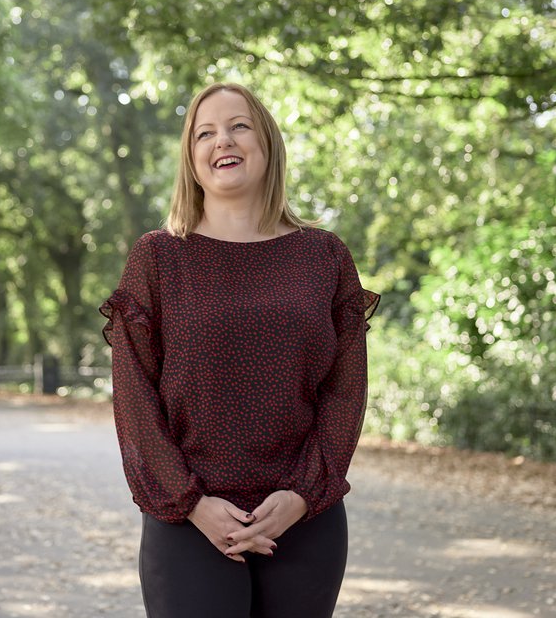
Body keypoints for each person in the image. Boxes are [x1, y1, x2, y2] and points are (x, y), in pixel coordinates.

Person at [99, 82, 379, 618]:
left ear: (267, 142)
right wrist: (191, 503)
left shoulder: (324, 255)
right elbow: (133, 398)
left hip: (304, 517)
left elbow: (346, 390)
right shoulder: (157, 257)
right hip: (188, 520)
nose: (222, 140)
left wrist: (300, 494)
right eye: (205, 132)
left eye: (239, 126)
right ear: (191, 158)